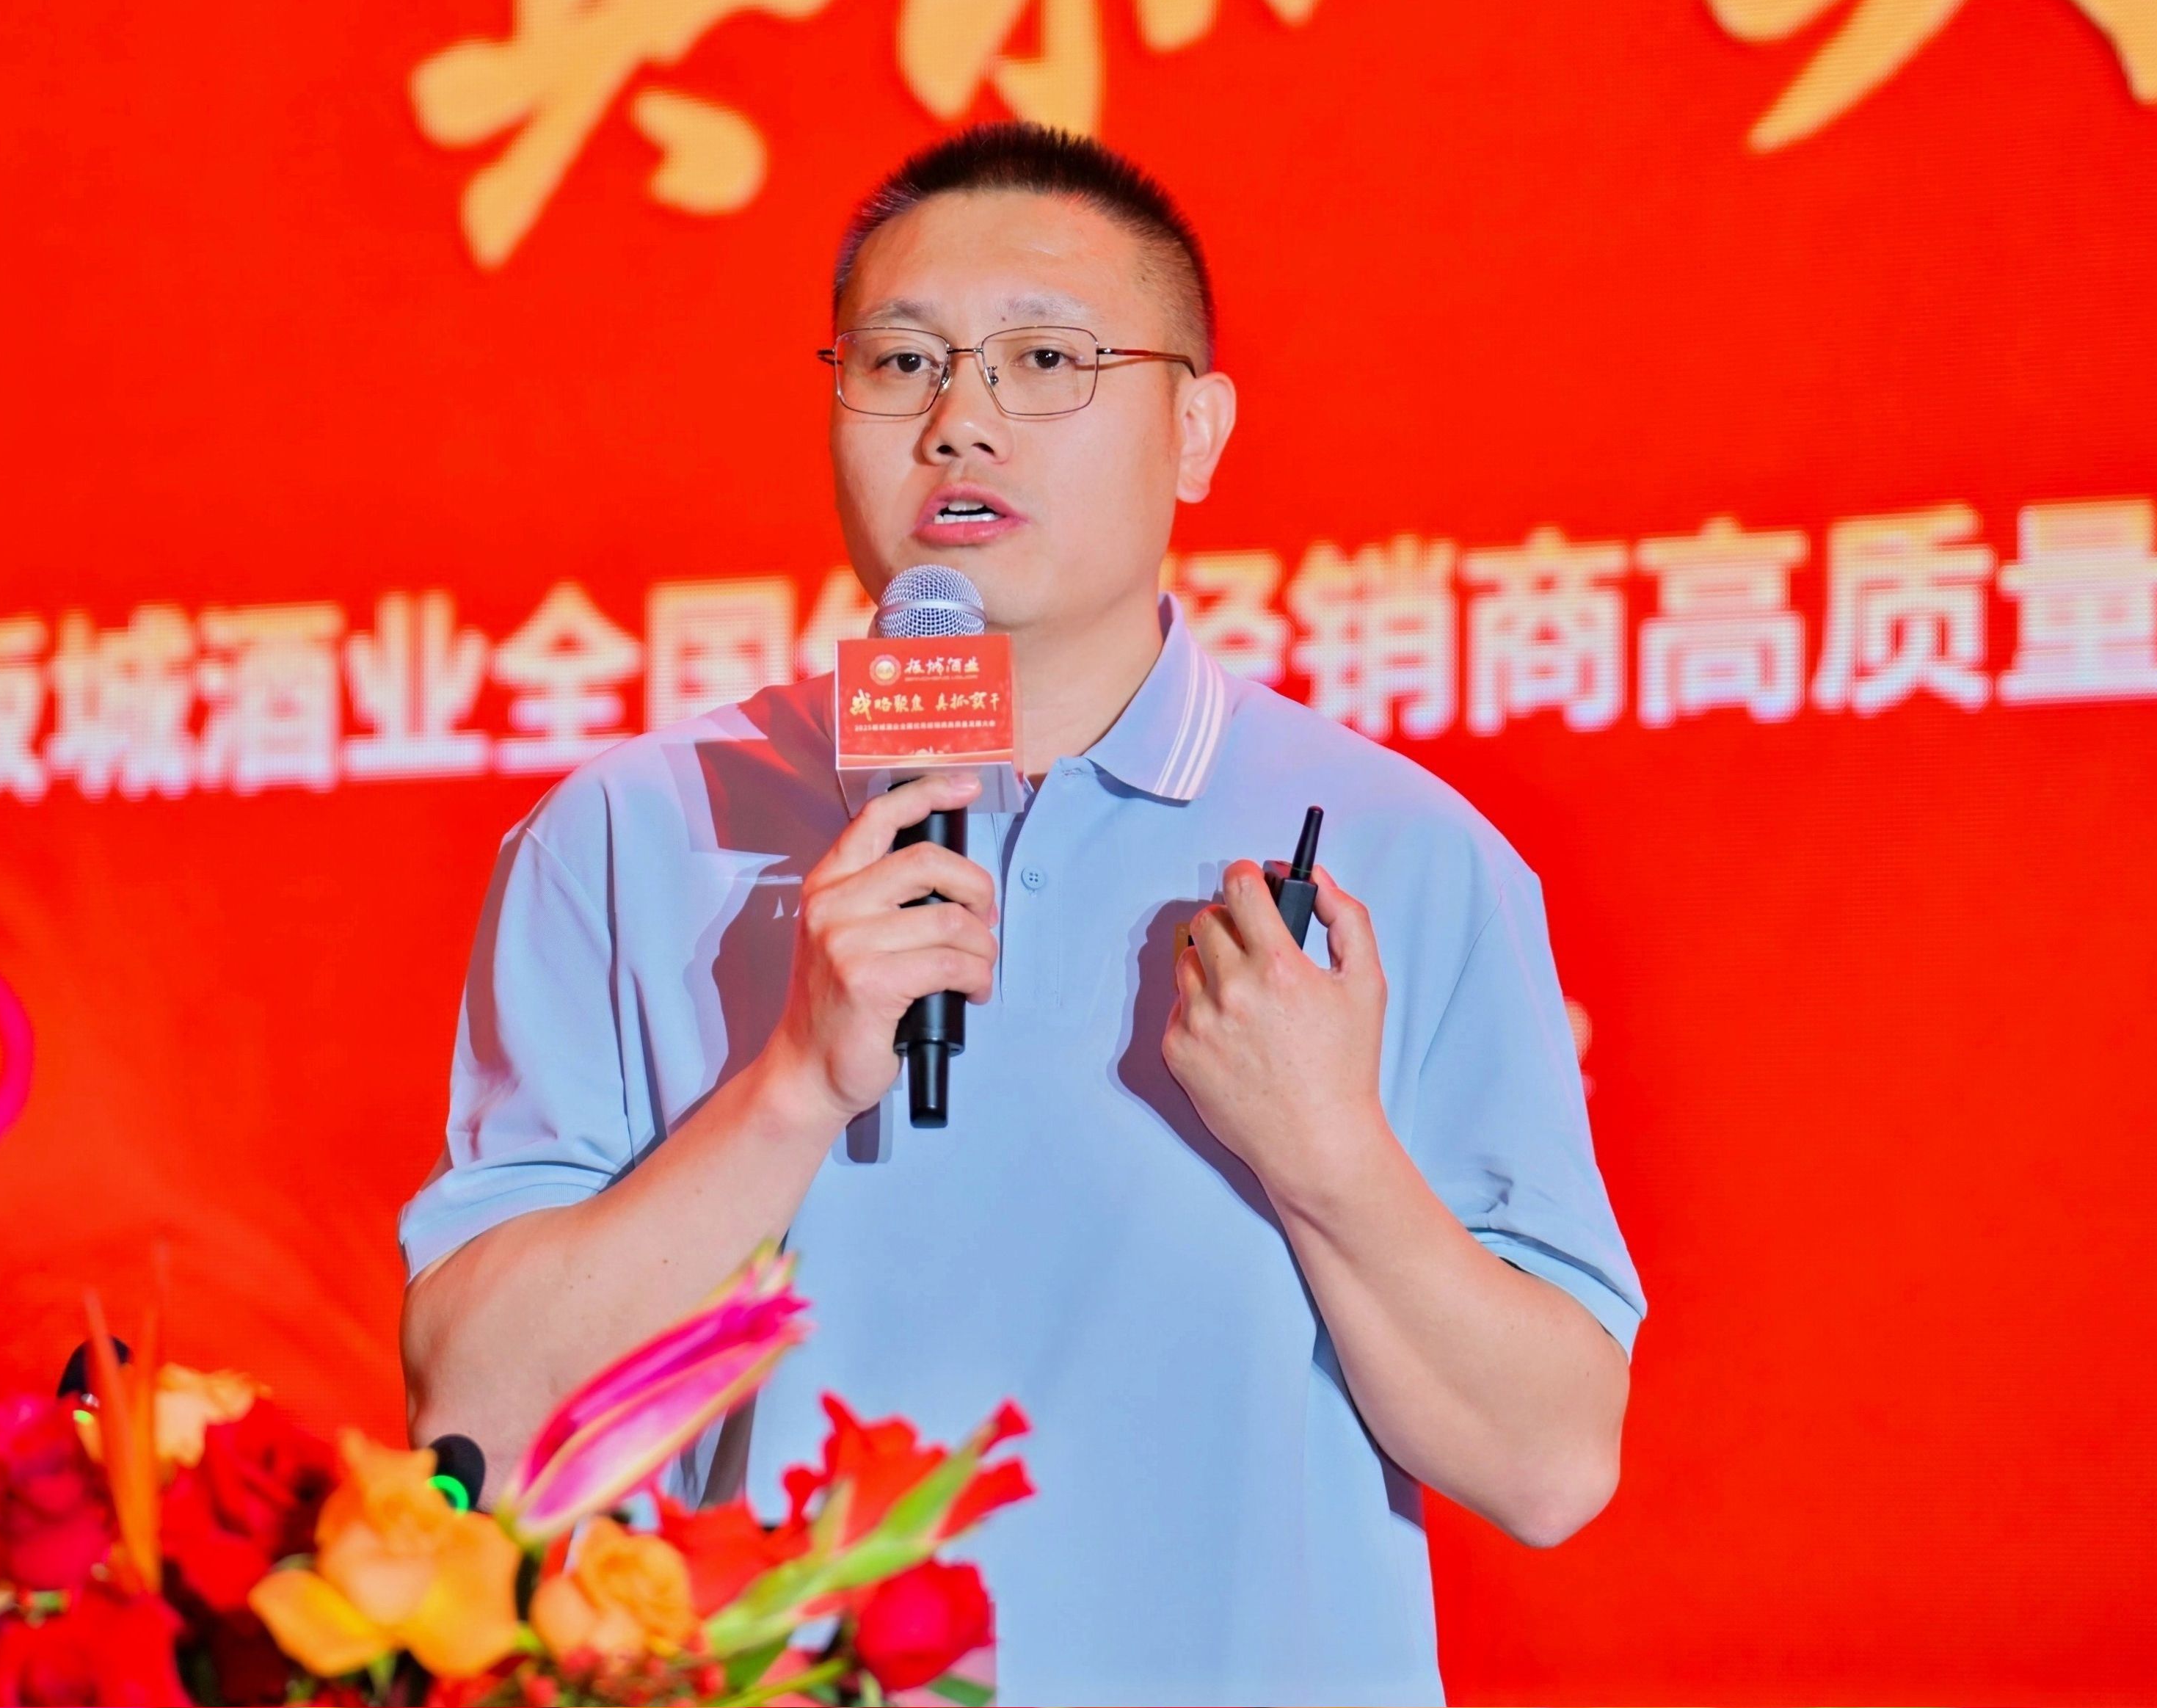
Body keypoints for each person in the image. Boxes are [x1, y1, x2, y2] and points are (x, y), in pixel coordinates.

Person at [398, 123, 1642, 1706]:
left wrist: (1325, 1151)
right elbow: (477, 1421)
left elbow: (1549, 1465)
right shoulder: (633, 836)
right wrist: (793, 1084)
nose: (960, 422)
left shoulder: (1403, 855)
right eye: (900, 364)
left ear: (1195, 431)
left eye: (1046, 360)